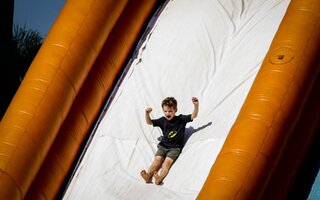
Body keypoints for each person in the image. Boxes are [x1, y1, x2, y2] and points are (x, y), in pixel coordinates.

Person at [140, 96, 199, 185]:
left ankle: (159, 178)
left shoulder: (181, 119)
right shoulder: (162, 120)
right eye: (165, 111)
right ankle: (148, 176)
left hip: (175, 148)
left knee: (166, 164)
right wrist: (147, 113)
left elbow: (193, 115)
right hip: (163, 146)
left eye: (170, 111)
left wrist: (196, 106)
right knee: (157, 161)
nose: (167, 113)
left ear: (175, 110)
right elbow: (149, 122)